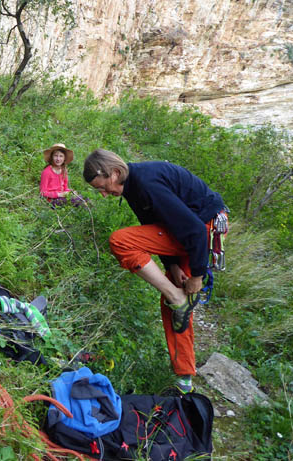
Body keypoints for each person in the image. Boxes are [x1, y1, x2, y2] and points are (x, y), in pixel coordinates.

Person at [83, 149, 227, 394]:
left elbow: (193, 229)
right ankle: (184, 378)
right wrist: (171, 265)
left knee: (121, 241)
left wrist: (197, 276)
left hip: (203, 228)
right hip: (188, 230)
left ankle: (176, 296)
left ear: (116, 173)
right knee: (174, 303)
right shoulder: (132, 186)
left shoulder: (147, 183)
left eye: (104, 188)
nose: (105, 194)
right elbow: (157, 225)